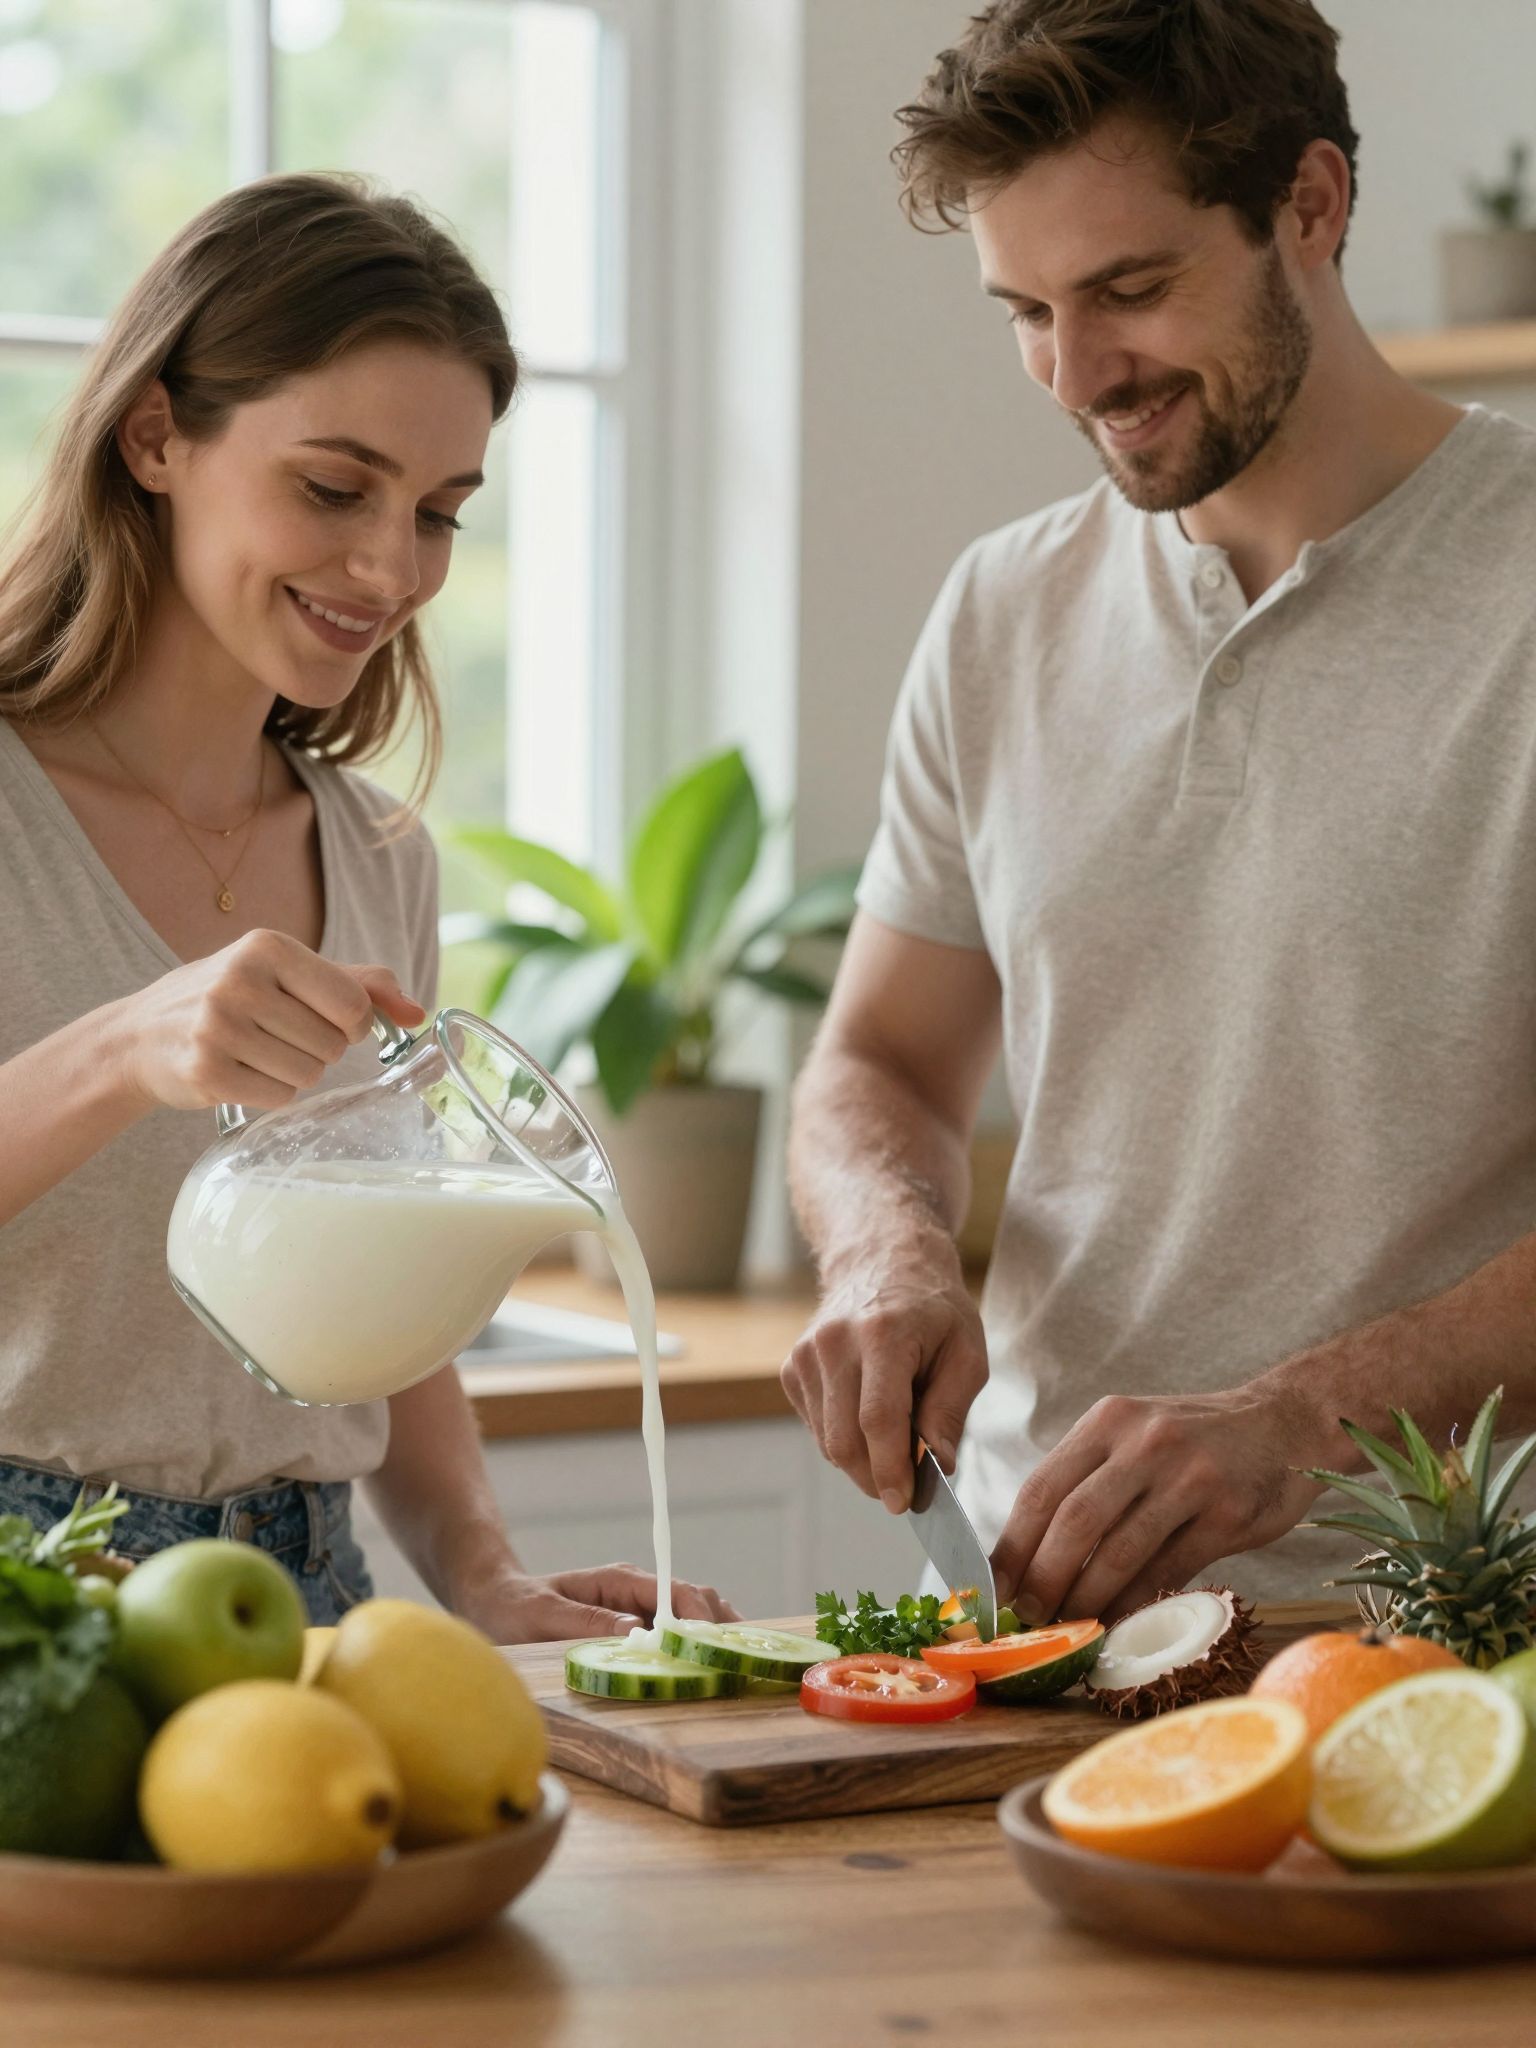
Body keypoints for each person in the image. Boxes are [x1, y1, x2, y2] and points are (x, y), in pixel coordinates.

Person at [783, 0, 1536, 1622]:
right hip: (1034, 1614)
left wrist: (1304, 1421)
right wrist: (887, 1252)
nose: (1076, 373)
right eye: (1026, 311)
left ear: (1312, 206)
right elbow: (881, 1064)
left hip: (1451, 1647)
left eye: (1129, 291)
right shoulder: (1002, 613)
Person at [0, 172, 731, 1640]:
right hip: (30, 1594)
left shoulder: (380, 856)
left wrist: (483, 1576)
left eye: (441, 512)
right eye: (335, 489)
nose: (393, 569)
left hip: (310, 1594)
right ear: (157, 436)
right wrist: (122, 1051)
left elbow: (383, 1303)